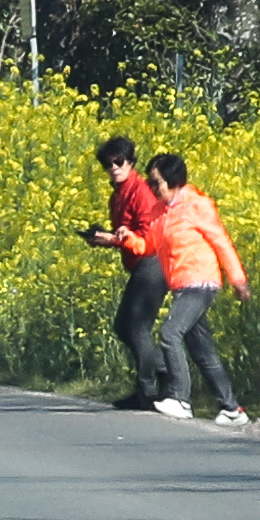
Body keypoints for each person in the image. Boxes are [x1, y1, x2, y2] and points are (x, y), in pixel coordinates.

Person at [128, 151, 250, 425]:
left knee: (170, 333)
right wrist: (126, 239)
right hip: (180, 285)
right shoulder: (159, 212)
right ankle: (232, 409)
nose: (152, 188)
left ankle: (181, 399)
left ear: (174, 181)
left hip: (201, 281)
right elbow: (150, 246)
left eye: (156, 182)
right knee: (203, 351)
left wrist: (238, 280)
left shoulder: (197, 205)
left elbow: (221, 242)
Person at [81, 135, 168, 409]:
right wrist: (104, 239)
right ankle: (163, 377)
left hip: (152, 262)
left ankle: (149, 391)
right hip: (140, 264)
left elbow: (147, 235)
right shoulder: (117, 196)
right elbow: (126, 236)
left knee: (136, 327)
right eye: (109, 165)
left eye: (119, 162)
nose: (114, 168)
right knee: (124, 326)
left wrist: (115, 239)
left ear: (131, 163)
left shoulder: (139, 191)